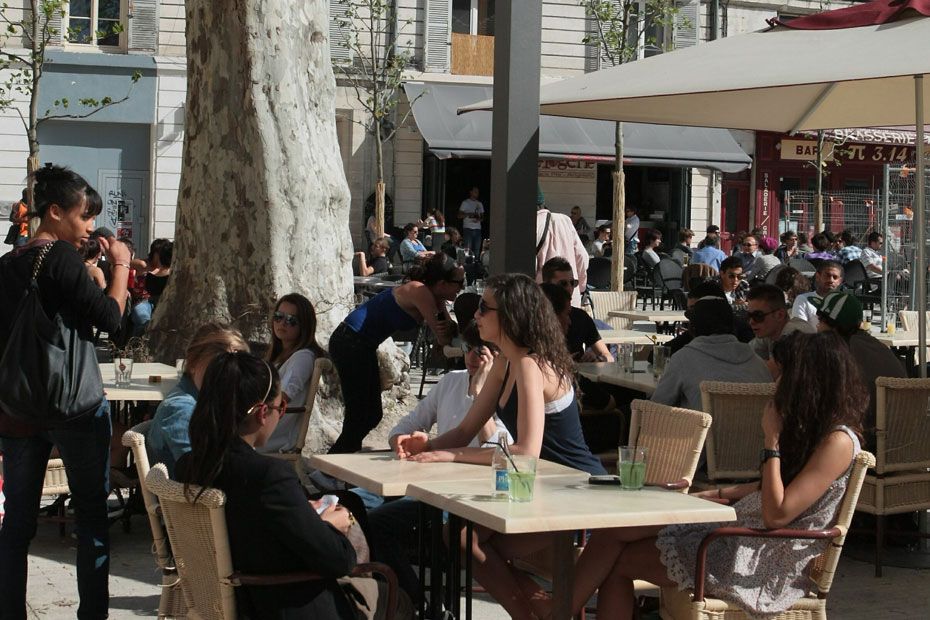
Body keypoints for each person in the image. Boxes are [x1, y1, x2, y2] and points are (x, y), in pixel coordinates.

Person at [570, 331, 865, 619]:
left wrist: (771, 441)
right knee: (615, 532)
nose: (778, 382)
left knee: (617, 560)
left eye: (785, 374)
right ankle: (555, 610)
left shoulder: (838, 441)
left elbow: (778, 515)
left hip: (760, 559)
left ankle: (554, 611)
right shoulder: (813, 430)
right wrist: (719, 494)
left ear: (809, 382)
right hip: (741, 533)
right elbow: (775, 490)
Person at [396, 273, 605, 619]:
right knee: (462, 538)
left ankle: (542, 614)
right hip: (541, 488)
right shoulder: (506, 361)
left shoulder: (528, 364)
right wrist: (425, 445)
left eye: (483, 307)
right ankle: (544, 614)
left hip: (576, 489)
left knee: (465, 540)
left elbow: (526, 454)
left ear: (510, 316)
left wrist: (447, 454)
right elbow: (464, 430)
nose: (475, 315)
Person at [175, 352, 410, 619]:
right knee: (395, 596)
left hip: (226, 601)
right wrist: (335, 524)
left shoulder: (187, 467)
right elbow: (338, 561)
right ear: (263, 413)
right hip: (286, 605)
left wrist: (301, 514)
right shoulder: (269, 476)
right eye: (281, 408)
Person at [0, 165, 131, 620]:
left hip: (17, 412)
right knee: (92, 518)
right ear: (54, 212)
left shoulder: (7, 265)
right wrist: (121, 266)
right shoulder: (61, 260)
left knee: (16, 525)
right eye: (83, 217)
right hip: (75, 409)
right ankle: (92, 615)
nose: (90, 227)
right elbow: (113, 321)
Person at [365, 321, 511, 601]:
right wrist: (401, 440)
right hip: (424, 482)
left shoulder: (506, 394)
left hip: (463, 495)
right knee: (349, 503)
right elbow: (405, 425)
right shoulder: (451, 381)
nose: (473, 356)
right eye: (469, 348)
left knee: (378, 522)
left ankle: (412, 602)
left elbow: (499, 455)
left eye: (483, 351)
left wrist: (481, 393)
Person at [327, 253, 460, 456]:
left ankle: (339, 460)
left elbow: (446, 328)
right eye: (459, 282)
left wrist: (450, 328)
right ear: (442, 283)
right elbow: (443, 334)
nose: (462, 287)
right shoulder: (420, 290)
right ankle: (333, 466)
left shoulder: (435, 297)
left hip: (363, 345)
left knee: (371, 414)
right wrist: (452, 331)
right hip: (350, 341)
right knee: (360, 413)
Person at [148, 323, 249, 477]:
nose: (225, 375)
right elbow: (197, 474)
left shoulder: (208, 401)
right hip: (184, 497)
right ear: (193, 363)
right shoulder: (181, 410)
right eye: (216, 367)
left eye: (234, 369)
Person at [812, 291, 906, 447]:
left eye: (820, 319)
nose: (816, 325)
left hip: (865, 447)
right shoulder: (877, 345)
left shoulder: (839, 355)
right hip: (902, 443)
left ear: (833, 328)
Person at [651, 296, 771, 412]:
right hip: (756, 432)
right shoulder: (757, 362)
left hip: (701, 431)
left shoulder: (683, 359)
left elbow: (657, 407)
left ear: (693, 328)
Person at [258, 293, 328, 454]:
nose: (282, 323)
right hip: (264, 423)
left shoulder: (303, 357)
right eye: (278, 317)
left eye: (291, 320)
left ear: (304, 326)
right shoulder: (279, 356)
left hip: (273, 433)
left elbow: (283, 397)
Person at [541, 257, 613, 363]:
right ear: (547, 283)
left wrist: (597, 358)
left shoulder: (580, 317)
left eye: (572, 283)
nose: (569, 288)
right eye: (563, 283)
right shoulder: (537, 319)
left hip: (579, 377)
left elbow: (607, 356)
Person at [536, 195, 589, 307]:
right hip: (571, 297)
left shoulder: (531, 224)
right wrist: (580, 287)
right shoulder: (565, 220)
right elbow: (582, 257)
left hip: (543, 300)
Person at [745, 284, 815, 360]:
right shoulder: (769, 331)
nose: (751, 322)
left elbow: (774, 369)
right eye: (749, 315)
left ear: (779, 315)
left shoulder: (797, 336)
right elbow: (745, 354)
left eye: (758, 316)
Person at [130, 238, 172, 336]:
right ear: (156, 253)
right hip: (143, 300)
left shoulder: (168, 268)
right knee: (142, 316)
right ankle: (138, 344)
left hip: (163, 301)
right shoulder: (143, 264)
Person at [791, 260, 843, 330]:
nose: (831, 280)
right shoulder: (803, 299)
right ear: (818, 277)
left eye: (835, 277)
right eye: (827, 275)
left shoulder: (844, 302)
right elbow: (800, 331)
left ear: (840, 281)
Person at [458, 186, 484, 256]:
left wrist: (478, 219)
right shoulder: (465, 202)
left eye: (478, 192)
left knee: (477, 249)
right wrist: (468, 214)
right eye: (475, 192)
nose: (477, 193)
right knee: (467, 249)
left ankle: (476, 264)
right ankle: (467, 264)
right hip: (468, 229)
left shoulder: (479, 204)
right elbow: (459, 216)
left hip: (477, 229)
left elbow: (482, 218)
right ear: (471, 192)